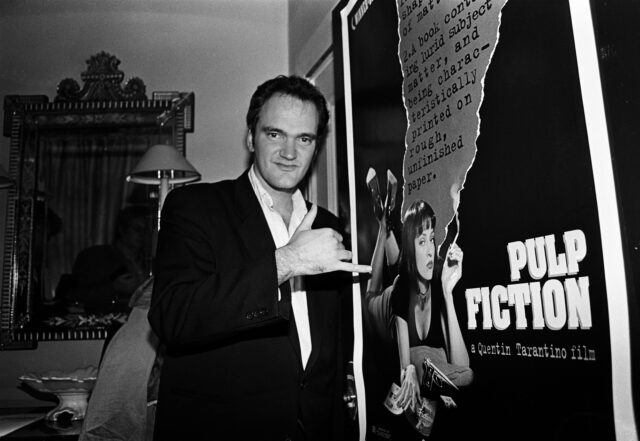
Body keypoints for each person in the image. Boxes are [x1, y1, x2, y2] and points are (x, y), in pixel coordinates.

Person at [148, 75, 371, 441]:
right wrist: (287, 261)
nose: (289, 152)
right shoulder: (196, 208)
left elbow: (334, 345)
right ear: (251, 137)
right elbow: (173, 317)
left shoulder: (330, 227)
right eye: (274, 134)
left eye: (304, 139)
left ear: (316, 147)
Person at [365, 189, 473, 437]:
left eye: (432, 239)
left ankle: (387, 221)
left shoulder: (437, 282)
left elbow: (463, 369)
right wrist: (411, 369)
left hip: (406, 280)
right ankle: (384, 225)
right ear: (412, 248)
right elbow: (406, 366)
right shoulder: (402, 287)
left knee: (401, 271)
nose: (429, 250)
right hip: (385, 309)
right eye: (421, 241)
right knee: (370, 296)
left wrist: (447, 293)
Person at [71, 205, 150, 313]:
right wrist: (113, 288)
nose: (142, 234)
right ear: (122, 230)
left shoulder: (149, 262)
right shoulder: (97, 257)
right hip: (107, 325)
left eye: (145, 230)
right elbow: (76, 295)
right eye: (137, 229)